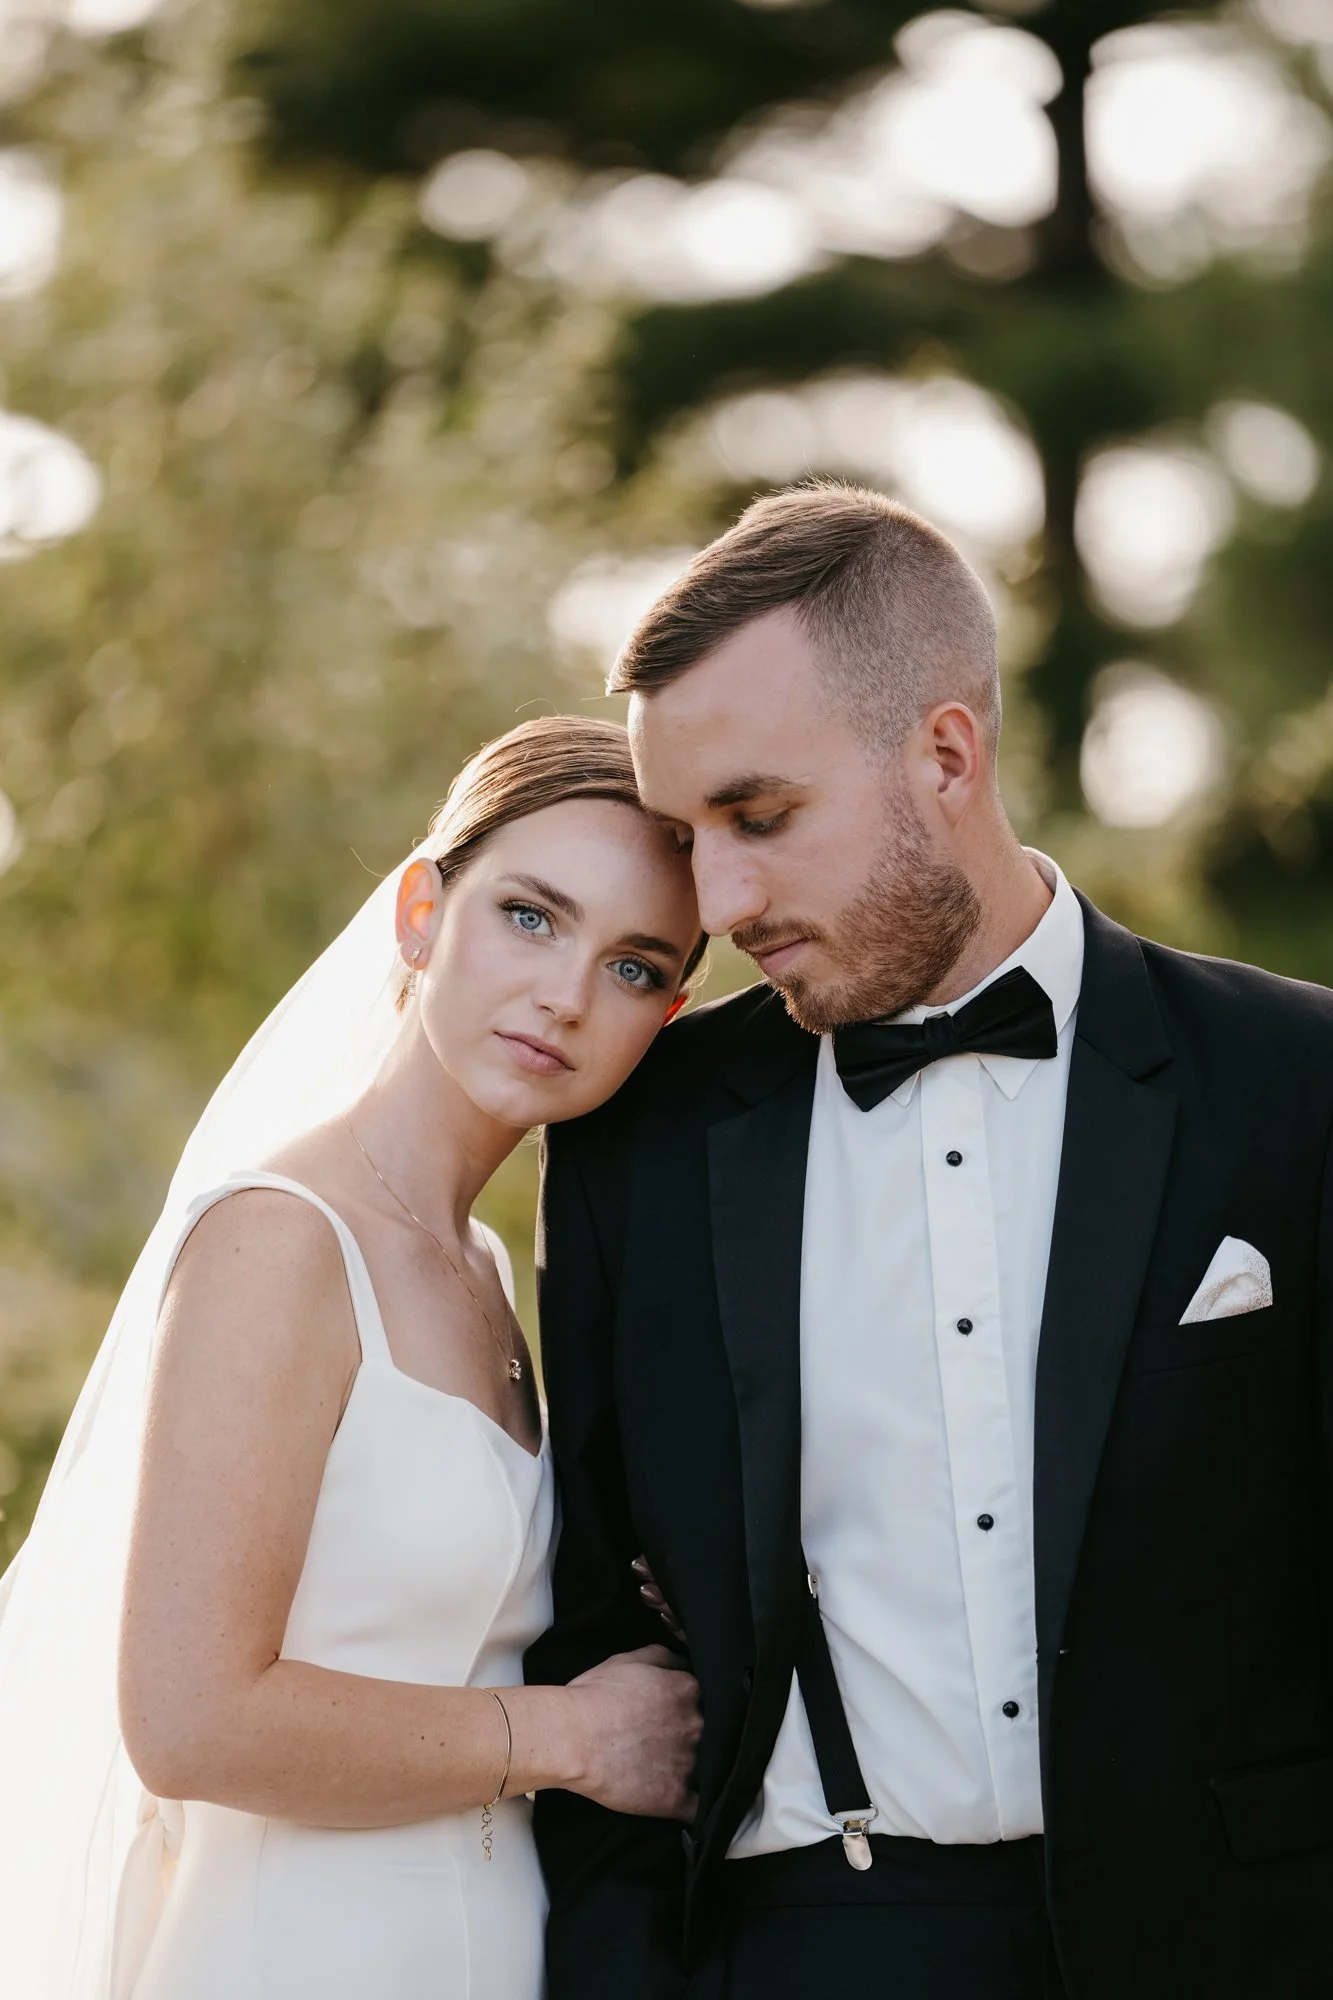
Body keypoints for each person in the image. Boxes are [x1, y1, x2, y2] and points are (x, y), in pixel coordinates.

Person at [527, 483, 1333, 2000]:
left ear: (947, 753)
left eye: (760, 818)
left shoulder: (1295, 1087)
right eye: (688, 838)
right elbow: (588, 1620)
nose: (720, 900)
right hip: (807, 1947)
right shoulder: (637, 1137)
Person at [0, 715, 706, 2000]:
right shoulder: (281, 1238)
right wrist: (573, 1734)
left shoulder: (487, 1273)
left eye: (636, 966)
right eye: (532, 916)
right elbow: (190, 1717)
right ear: (421, 910)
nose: (565, 993)